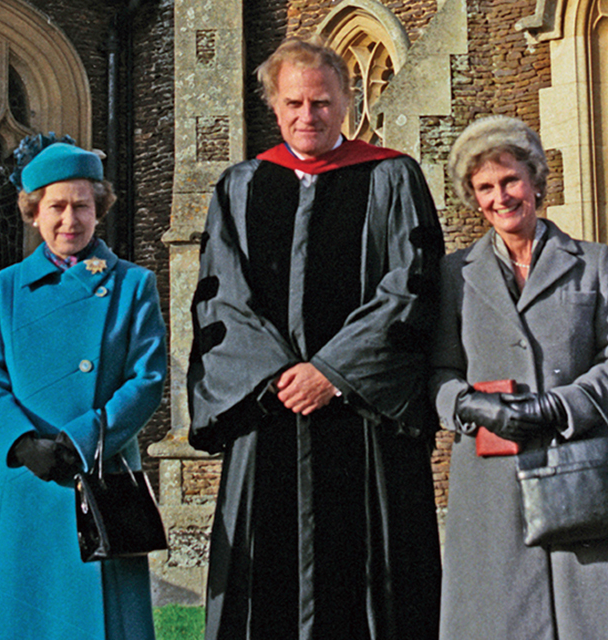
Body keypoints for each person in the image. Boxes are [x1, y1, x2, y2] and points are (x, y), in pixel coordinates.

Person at [186, 38, 443, 640]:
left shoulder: (392, 177)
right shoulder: (241, 186)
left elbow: (412, 286)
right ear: (273, 107)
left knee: (375, 580)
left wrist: (332, 372)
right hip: (269, 412)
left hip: (362, 417)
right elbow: (220, 297)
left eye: (322, 102)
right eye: (295, 102)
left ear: (349, 100)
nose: (309, 116)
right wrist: (276, 375)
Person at [430, 115, 608, 639]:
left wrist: (562, 405)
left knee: (593, 621)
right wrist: (466, 406)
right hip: (491, 483)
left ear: (535, 181)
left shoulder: (592, 263)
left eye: (510, 181)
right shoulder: (455, 275)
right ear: (472, 197)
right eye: (485, 187)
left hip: (577, 471)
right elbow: (436, 370)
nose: (500, 197)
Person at [0, 134, 166, 639]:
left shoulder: (133, 285)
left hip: (99, 472)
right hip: (25, 475)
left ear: (99, 211)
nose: (69, 220)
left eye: (82, 207)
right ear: (33, 212)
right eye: (56, 206)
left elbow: (148, 378)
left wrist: (85, 437)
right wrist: (22, 442)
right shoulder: (4, 288)